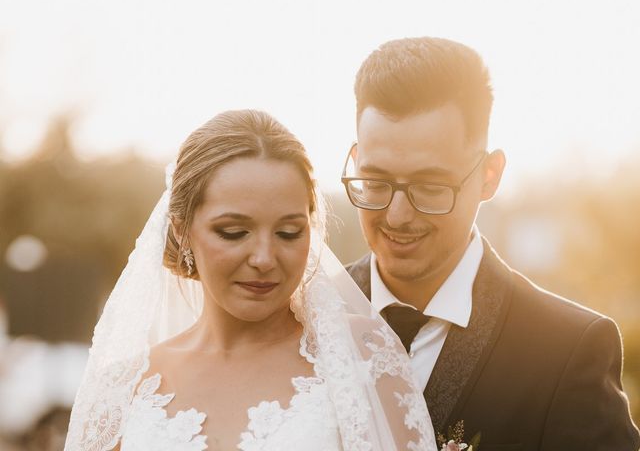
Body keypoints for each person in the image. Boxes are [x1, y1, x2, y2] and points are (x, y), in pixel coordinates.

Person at [64, 109, 438, 450]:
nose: (263, 259)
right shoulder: (125, 390)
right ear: (181, 232)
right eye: (233, 232)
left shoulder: (361, 358)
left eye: (289, 233)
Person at [342, 37, 640, 450]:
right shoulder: (301, 319)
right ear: (356, 162)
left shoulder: (567, 351)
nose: (396, 216)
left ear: (489, 175)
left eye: (430, 186)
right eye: (375, 181)